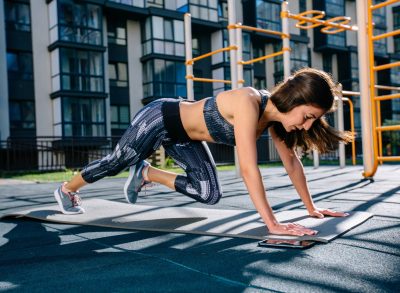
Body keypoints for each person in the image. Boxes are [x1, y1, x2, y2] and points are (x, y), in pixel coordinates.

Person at [54, 67, 353, 237]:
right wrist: (272, 224)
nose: (307, 125)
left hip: (183, 138)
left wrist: (311, 207)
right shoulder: (249, 102)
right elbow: (249, 169)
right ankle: (67, 190)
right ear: (295, 99)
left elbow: (292, 163)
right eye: (309, 116)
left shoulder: (276, 122)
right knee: (117, 161)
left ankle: (147, 173)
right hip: (160, 118)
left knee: (209, 192)